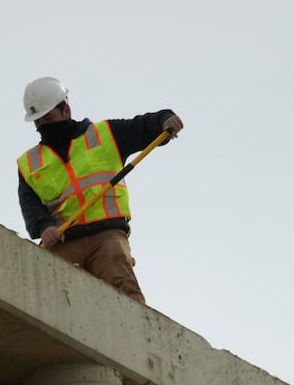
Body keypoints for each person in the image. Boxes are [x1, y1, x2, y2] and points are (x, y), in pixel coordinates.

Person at [16, 76, 183, 303]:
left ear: (66, 110)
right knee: (52, 301)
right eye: (38, 122)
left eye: (48, 118)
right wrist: (43, 227)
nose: (44, 126)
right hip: (64, 242)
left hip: (106, 236)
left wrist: (164, 120)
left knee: (125, 295)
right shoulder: (30, 162)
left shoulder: (104, 135)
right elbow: (30, 204)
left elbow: (143, 126)